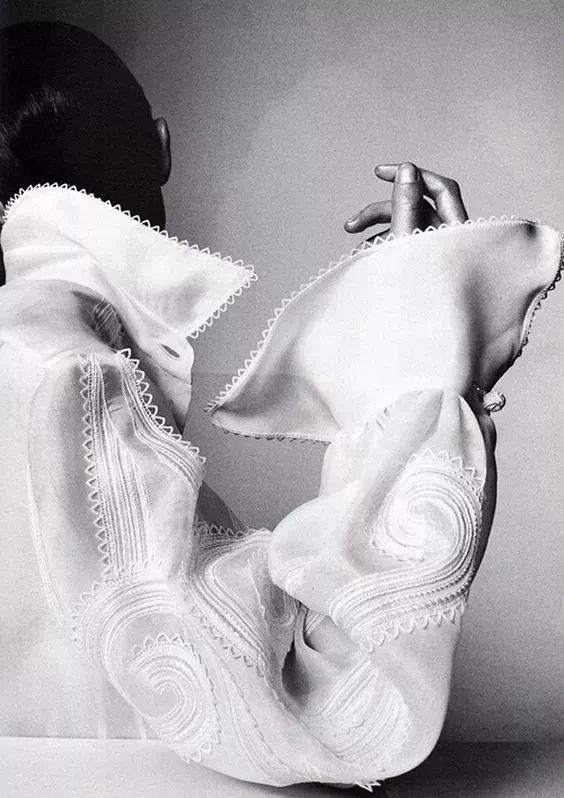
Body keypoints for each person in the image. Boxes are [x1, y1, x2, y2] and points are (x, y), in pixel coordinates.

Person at [0, 20, 560, 790]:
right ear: (161, 147)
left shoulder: (48, 355)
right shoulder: (70, 374)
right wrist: (432, 321)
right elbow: (312, 709)